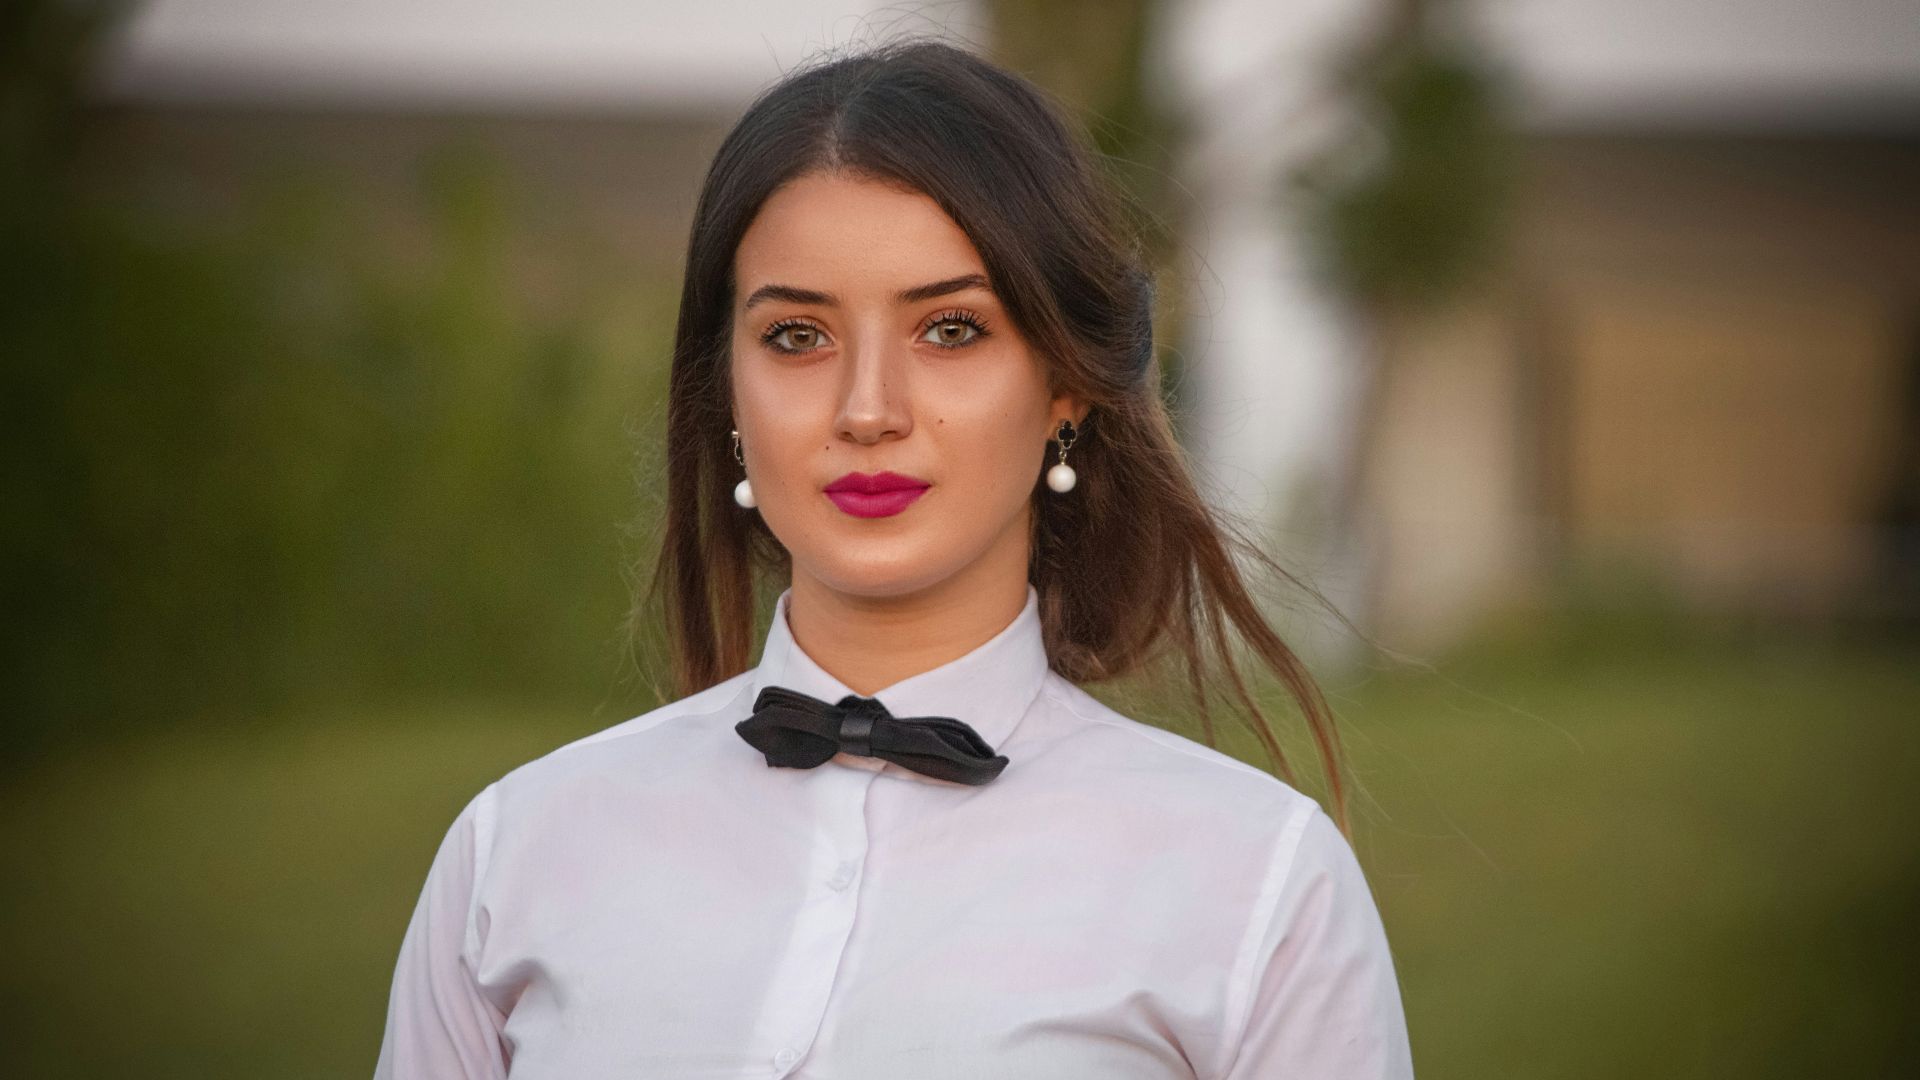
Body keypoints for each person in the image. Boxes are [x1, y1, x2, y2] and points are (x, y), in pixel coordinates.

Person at [374, 37, 1414, 1080]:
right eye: (796, 337)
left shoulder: (1258, 883)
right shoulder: (513, 855)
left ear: (1065, 384)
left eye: (950, 329)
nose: (868, 410)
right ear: (724, 388)